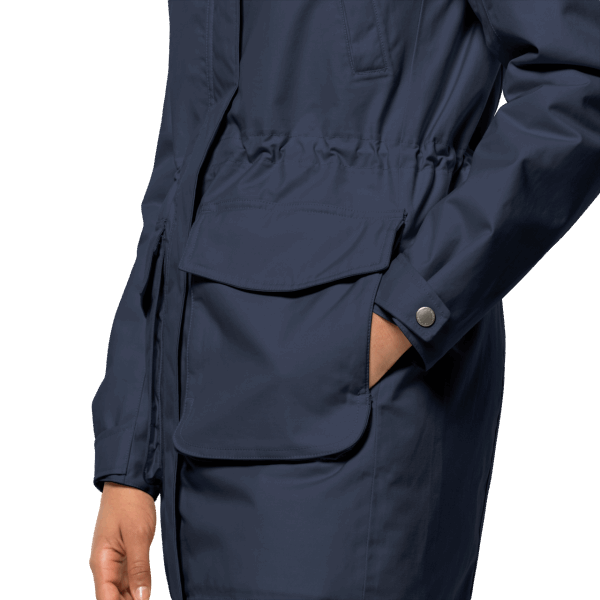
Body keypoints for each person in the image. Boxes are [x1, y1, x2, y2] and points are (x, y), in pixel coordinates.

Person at [89, 2, 599, 599]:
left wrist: (416, 306)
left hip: (356, 412)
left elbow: (579, 76)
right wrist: (132, 457)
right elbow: (184, 173)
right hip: (196, 418)